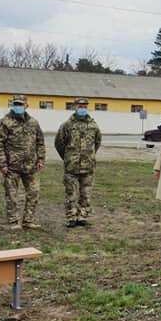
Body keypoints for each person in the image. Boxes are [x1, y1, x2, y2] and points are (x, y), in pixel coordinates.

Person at [0, 95, 46, 230]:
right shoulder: (5, 123)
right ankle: (13, 222)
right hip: (12, 167)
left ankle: (28, 221)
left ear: (26, 105)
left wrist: (41, 159)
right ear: (12, 105)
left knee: (34, 193)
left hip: (31, 166)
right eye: (16, 104)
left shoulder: (33, 122)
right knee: (12, 195)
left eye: (21, 104)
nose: (18, 106)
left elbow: (40, 142)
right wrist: (3, 165)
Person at [55, 97, 102, 229]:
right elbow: (59, 143)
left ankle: (82, 217)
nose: (82, 108)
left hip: (88, 167)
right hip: (72, 167)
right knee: (71, 194)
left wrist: (90, 156)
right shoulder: (67, 125)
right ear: (74, 107)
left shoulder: (93, 125)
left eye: (85, 106)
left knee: (86, 194)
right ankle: (71, 217)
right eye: (80, 106)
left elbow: (97, 143)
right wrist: (68, 158)